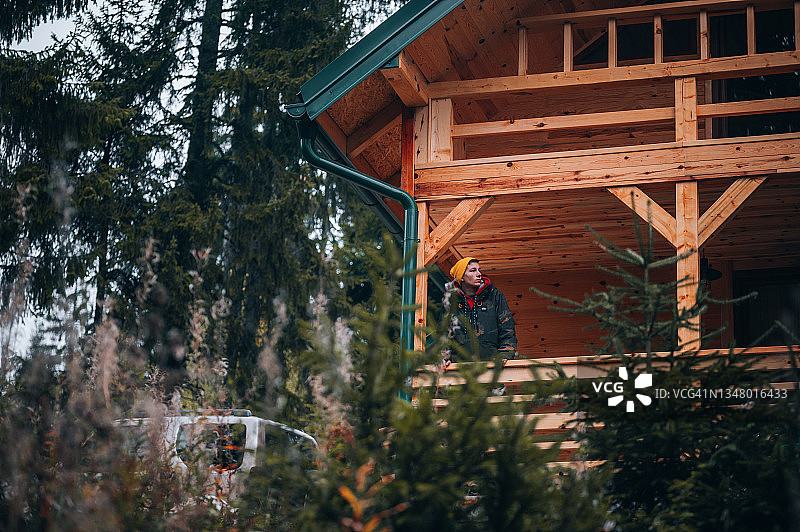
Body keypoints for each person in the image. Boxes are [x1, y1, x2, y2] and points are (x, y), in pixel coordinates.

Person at [443, 257, 517, 363]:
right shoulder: (451, 302)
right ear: (462, 277)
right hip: (459, 368)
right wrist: (444, 359)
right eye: (473, 271)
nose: (479, 274)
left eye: (479, 270)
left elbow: (507, 329)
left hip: (492, 365)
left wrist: (505, 354)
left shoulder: (495, 296)